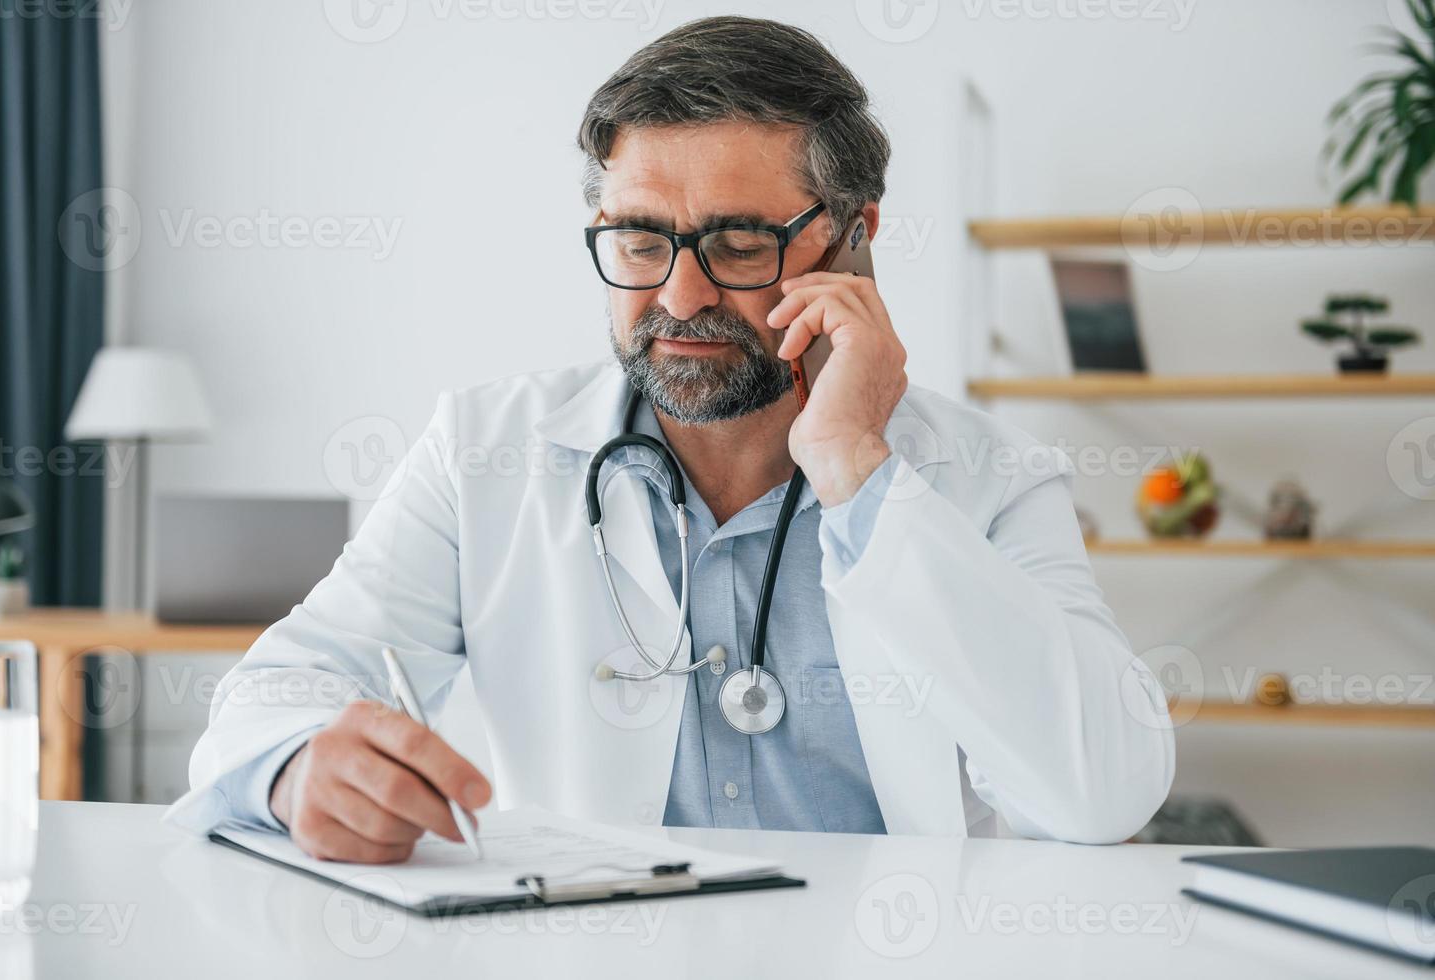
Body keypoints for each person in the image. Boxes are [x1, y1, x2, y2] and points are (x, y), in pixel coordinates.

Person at [170, 15, 1174, 863]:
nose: (681, 295)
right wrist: (303, 764)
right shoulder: (483, 450)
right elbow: (280, 686)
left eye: (738, 244)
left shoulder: (992, 478)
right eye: (642, 241)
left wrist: (861, 471)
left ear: (854, 237)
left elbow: (1101, 791)